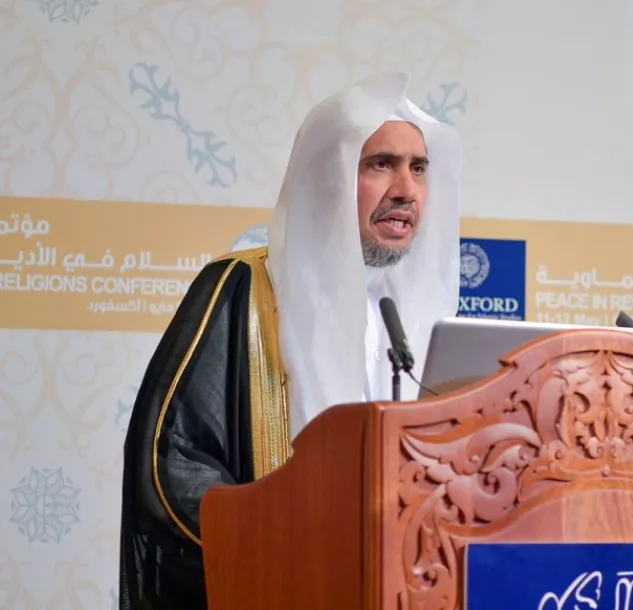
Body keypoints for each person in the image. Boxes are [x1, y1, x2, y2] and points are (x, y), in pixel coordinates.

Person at [117, 72, 462, 610]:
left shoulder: (426, 314)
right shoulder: (247, 288)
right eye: (381, 164)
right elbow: (171, 459)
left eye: (418, 168)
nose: (406, 190)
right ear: (329, 175)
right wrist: (278, 533)